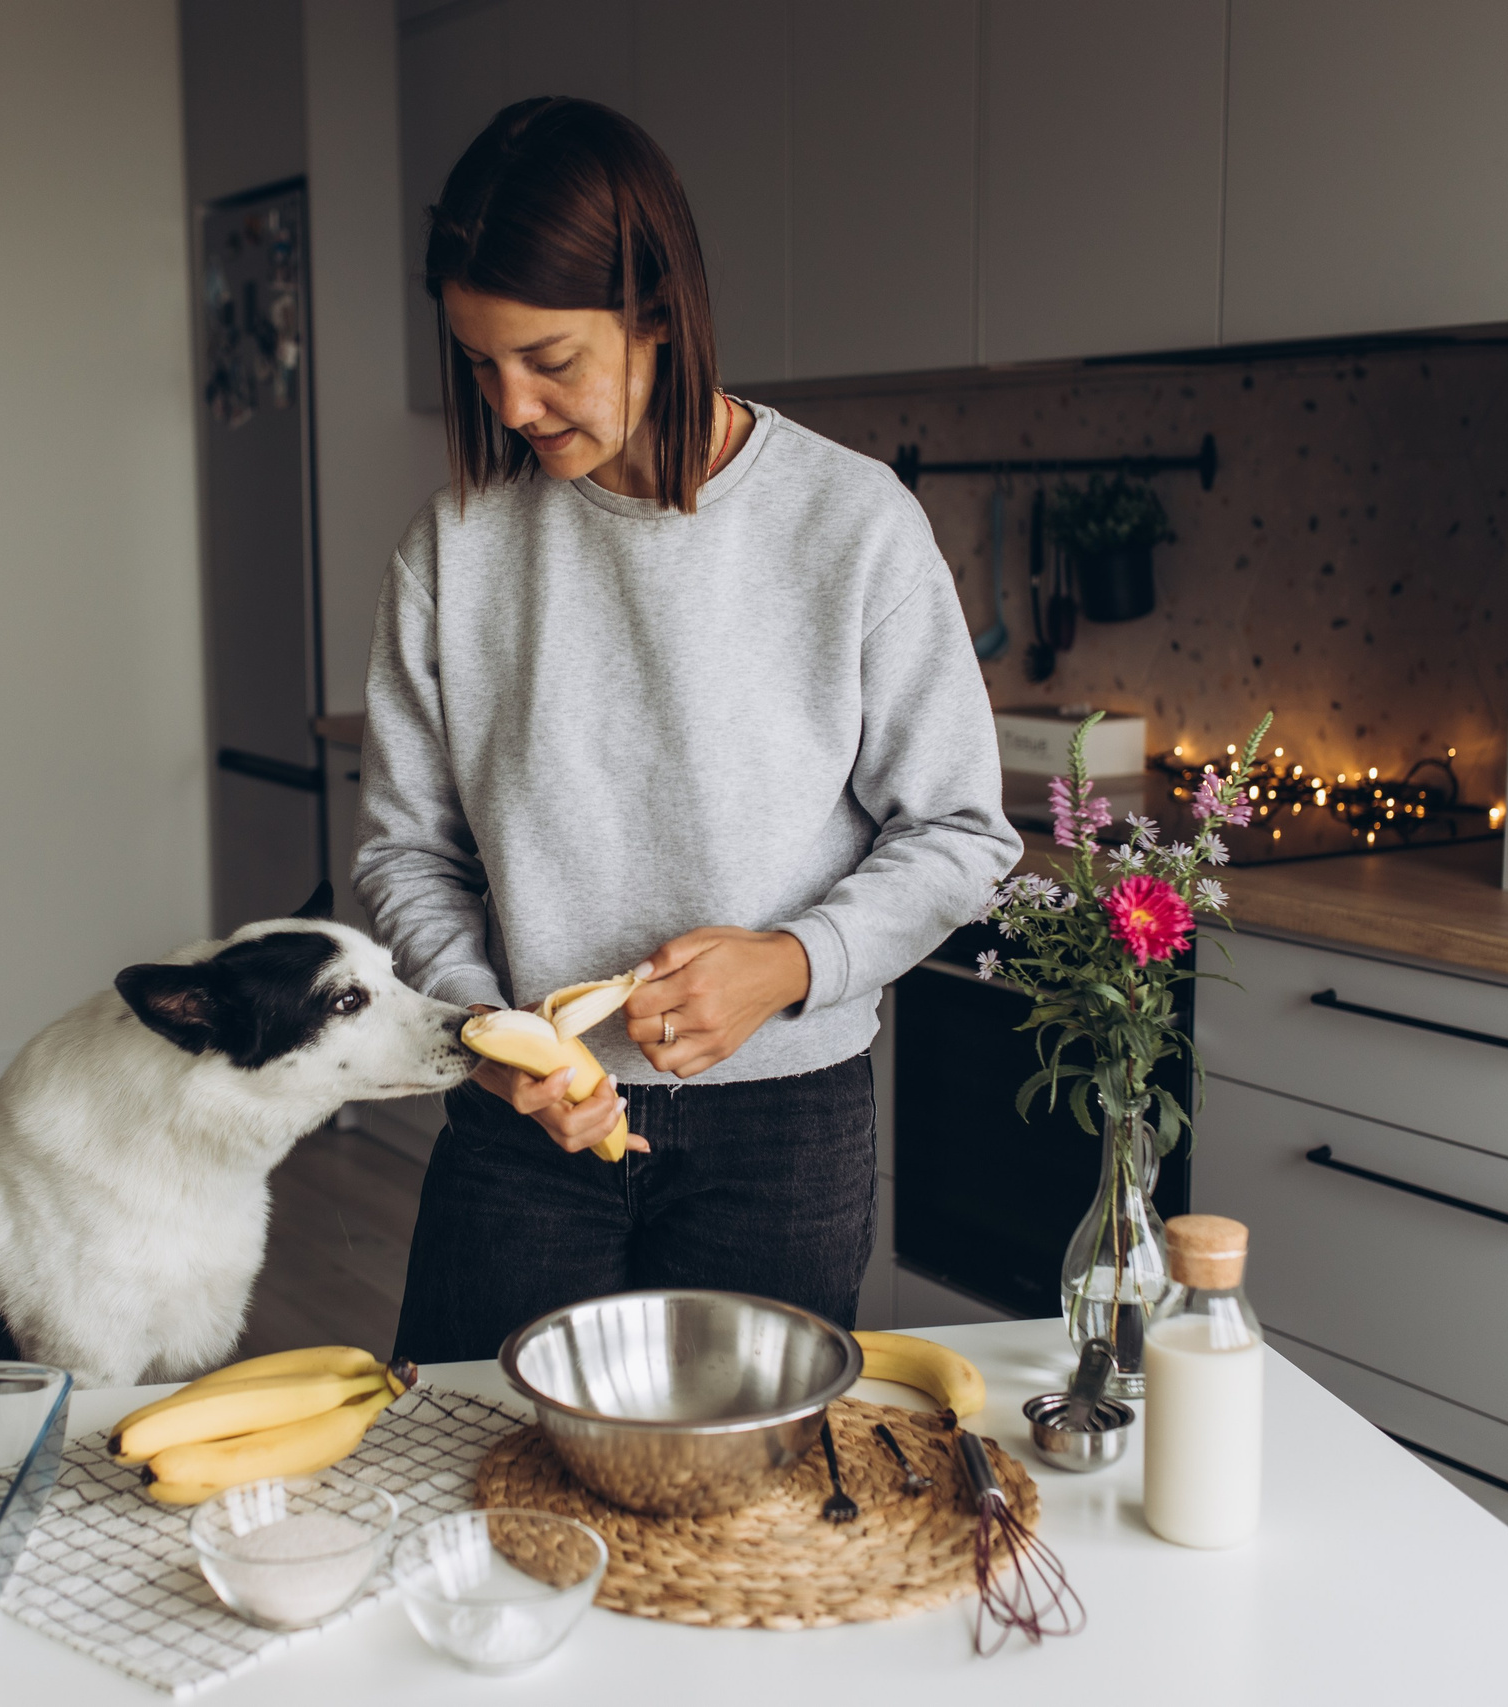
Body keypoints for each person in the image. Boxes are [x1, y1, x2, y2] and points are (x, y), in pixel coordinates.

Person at [356, 97, 1020, 1363]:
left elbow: (960, 833)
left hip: (783, 1136)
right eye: (479, 363)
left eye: (548, 359)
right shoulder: (453, 549)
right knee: (461, 1483)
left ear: (655, 307)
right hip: (517, 1134)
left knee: (731, 1526)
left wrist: (787, 964)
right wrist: (491, 1036)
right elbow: (404, 857)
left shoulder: (852, 524)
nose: (509, 404)